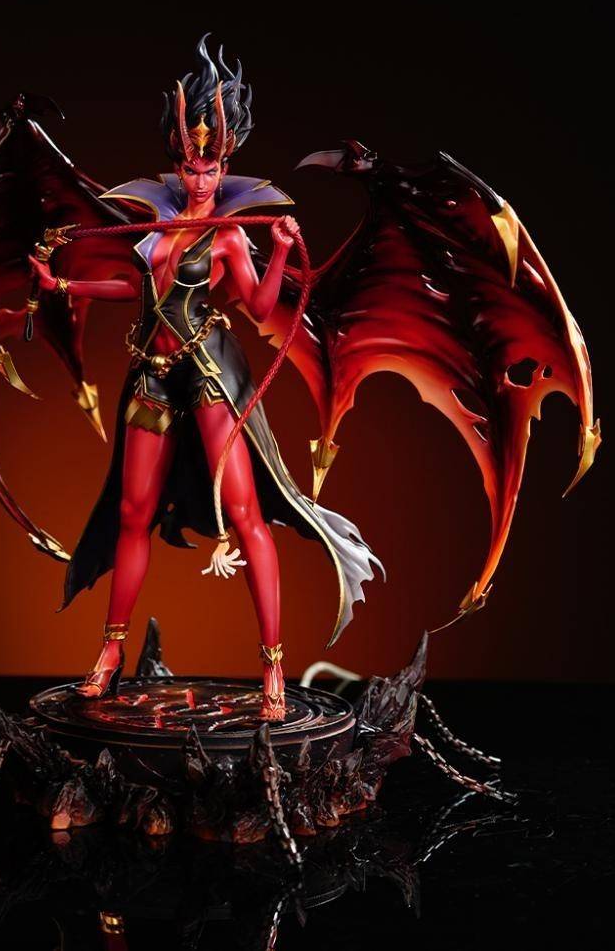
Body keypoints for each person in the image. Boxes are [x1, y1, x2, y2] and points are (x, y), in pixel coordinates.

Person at [27, 36, 382, 720]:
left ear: (226, 163)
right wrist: (62, 283)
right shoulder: (151, 217)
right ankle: (109, 653)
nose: (200, 180)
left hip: (210, 370)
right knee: (131, 514)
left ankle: (272, 667)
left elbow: (258, 307)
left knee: (246, 514)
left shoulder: (229, 232)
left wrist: (279, 254)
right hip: (152, 372)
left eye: (211, 166)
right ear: (176, 163)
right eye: (191, 167)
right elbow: (132, 287)